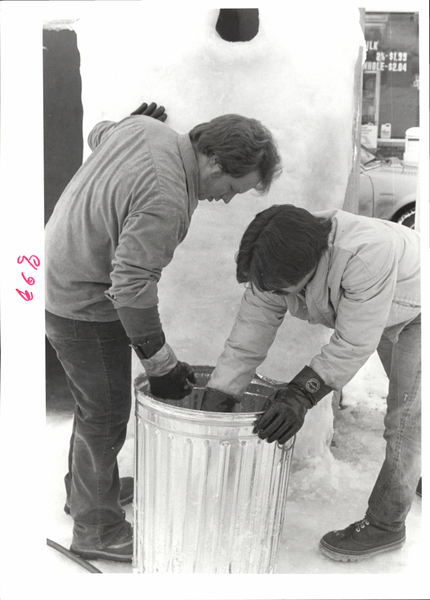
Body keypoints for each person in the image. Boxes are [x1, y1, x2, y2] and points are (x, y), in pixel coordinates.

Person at [45, 101, 282, 563]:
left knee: (95, 400)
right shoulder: (168, 197)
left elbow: (99, 133)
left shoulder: (142, 128)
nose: (228, 198)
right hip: (83, 302)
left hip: (59, 274)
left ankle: (87, 491)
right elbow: (131, 287)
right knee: (107, 412)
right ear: (213, 160)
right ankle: (97, 529)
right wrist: (161, 362)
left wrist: (130, 125)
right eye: (234, 187)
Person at [201, 204, 421, 562]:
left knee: (407, 421)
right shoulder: (276, 258)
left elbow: (352, 343)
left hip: (416, 309)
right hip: (376, 310)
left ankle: (387, 523)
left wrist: (301, 394)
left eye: (280, 289)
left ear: (307, 271)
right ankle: (411, 473)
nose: (274, 294)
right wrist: (221, 393)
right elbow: (249, 333)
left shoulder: (365, 255)